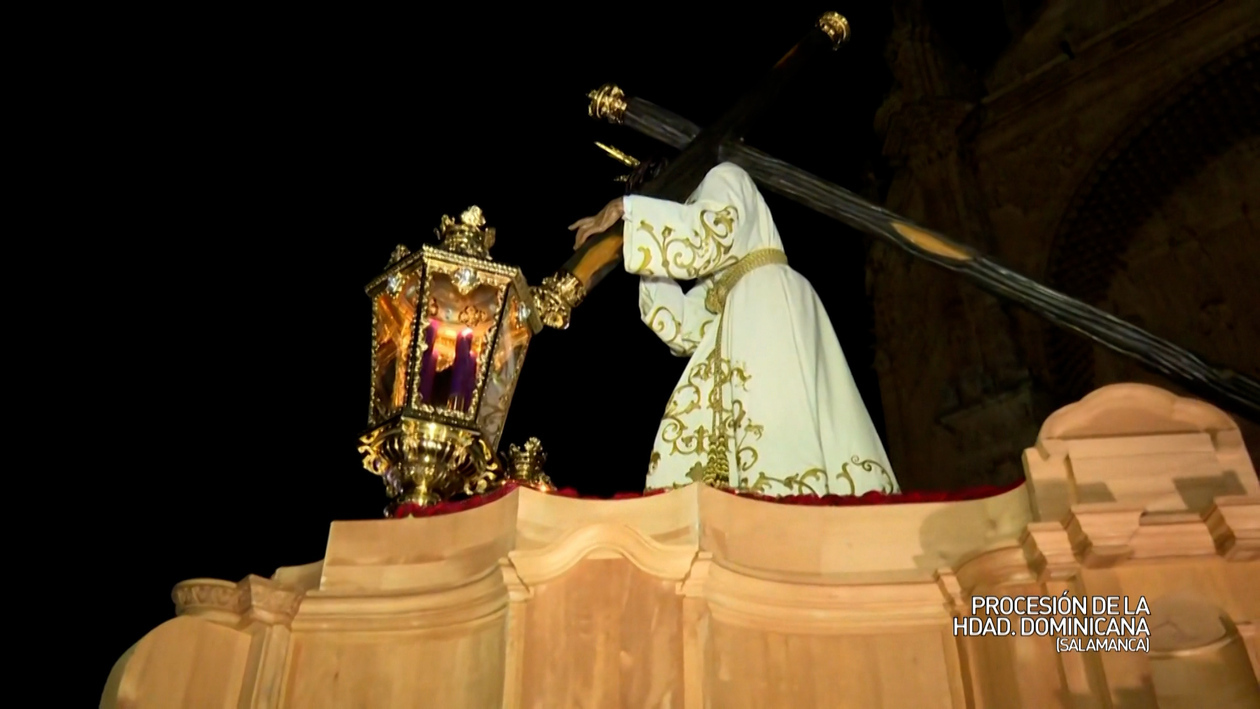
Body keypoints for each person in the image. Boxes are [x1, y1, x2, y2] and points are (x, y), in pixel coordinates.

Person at [569, 159, 900, 497]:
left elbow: (710, 236)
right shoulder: (727, 282)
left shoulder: (723, 176)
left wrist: (627, 208)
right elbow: (683, 329)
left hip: (770, 303)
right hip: (744, 314)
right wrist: (643, 251)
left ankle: (794, 502)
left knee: (776, 422)